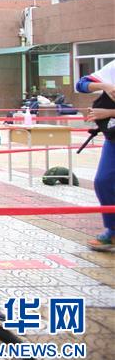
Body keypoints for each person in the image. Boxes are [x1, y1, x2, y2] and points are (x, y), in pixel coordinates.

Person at [76, 59, 115, 252]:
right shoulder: (113, 68)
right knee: (103, 181)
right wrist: (104, 85)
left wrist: (109, 112)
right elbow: (81, 84)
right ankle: (113, 230)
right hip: (113, 138)